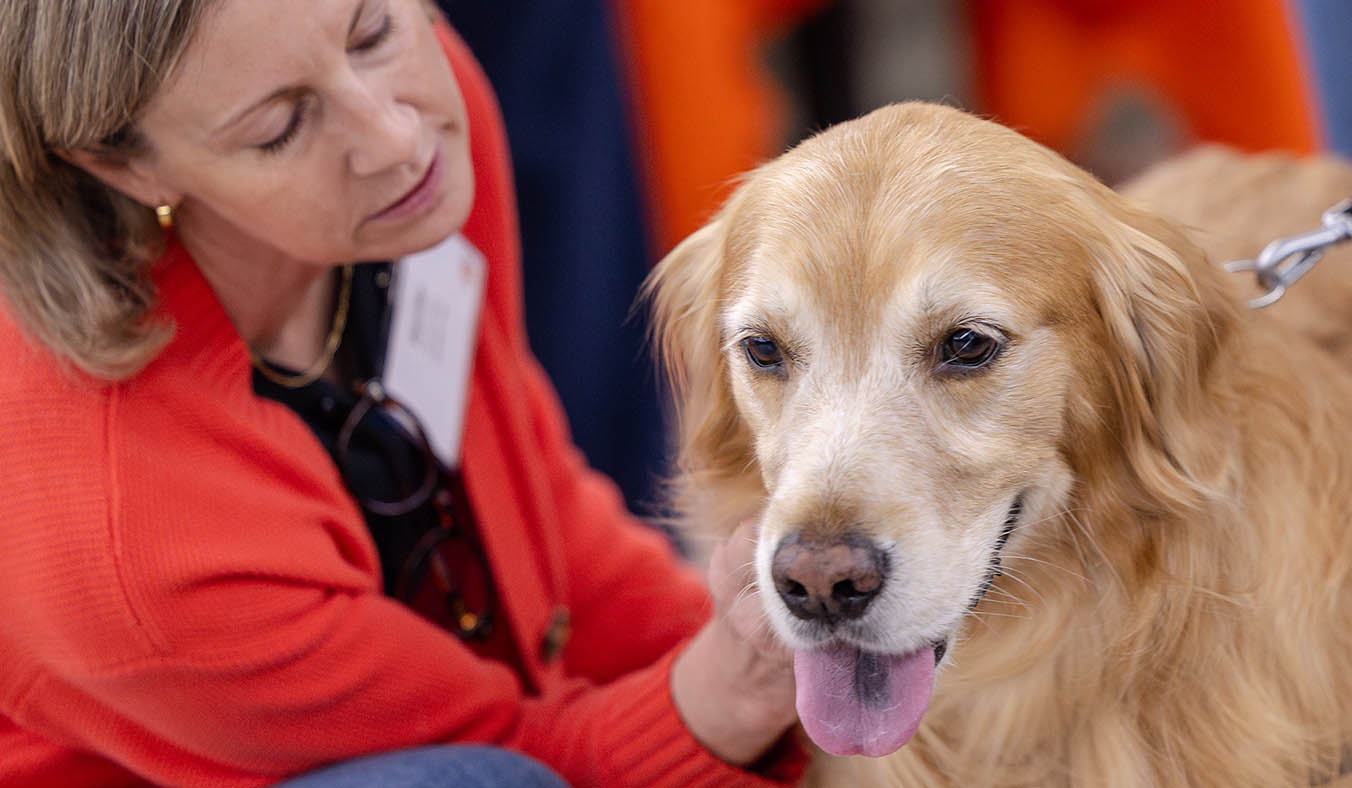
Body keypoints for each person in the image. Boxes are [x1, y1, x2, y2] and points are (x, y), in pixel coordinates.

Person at [0, 1, 802, 786]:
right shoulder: (136, 541)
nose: (394, 136)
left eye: (372, 32)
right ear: (126, 165)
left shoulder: (422, 148)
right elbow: (518, 749)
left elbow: (538, 511)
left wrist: (772, 652)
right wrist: (730, 694)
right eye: (279, 128)